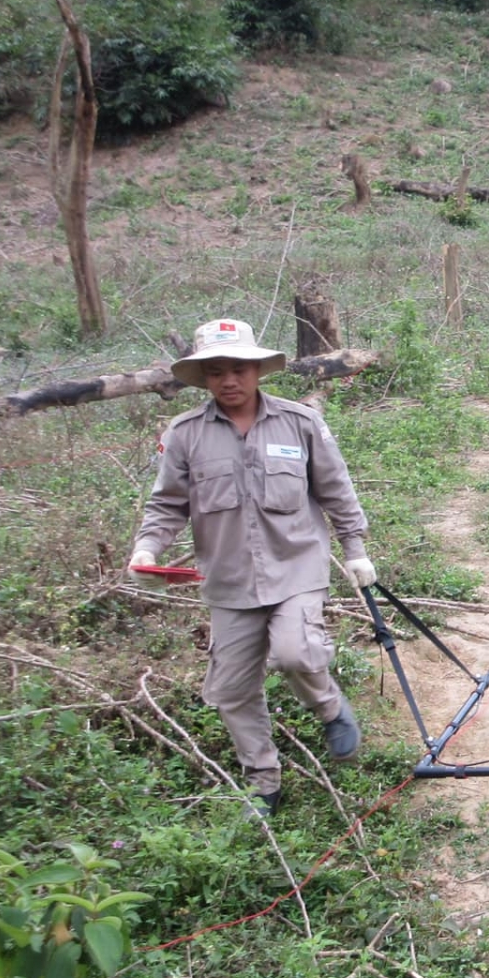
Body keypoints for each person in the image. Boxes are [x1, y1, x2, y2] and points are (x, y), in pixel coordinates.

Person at [130, 319, 377, 818]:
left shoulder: (299, 424)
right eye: (216, 371)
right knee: (232, 690)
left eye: (239, 368)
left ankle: (329, 707)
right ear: (203, 377)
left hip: (297, 566)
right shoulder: (185, 435)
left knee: (295, 653)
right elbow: (167, 506)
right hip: (228, 579)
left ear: (258, 370)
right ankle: (263, 783)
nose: (229, 380)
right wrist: (147, 549)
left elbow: (336, 489)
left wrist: (355, 549)